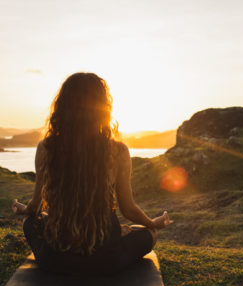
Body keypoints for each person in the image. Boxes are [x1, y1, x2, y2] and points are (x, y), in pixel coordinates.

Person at [11, 72, 172, 275]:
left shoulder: (46, 148)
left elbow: (35, 208)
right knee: (149, 234)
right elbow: (128, 209)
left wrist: (24, 209)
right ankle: (113, 235)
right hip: (107, 258)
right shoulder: (118, 151)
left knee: (30, 223)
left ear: (63, 106)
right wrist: (152, 223)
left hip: (55, 259)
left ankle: (108, 236)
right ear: (102, 109)